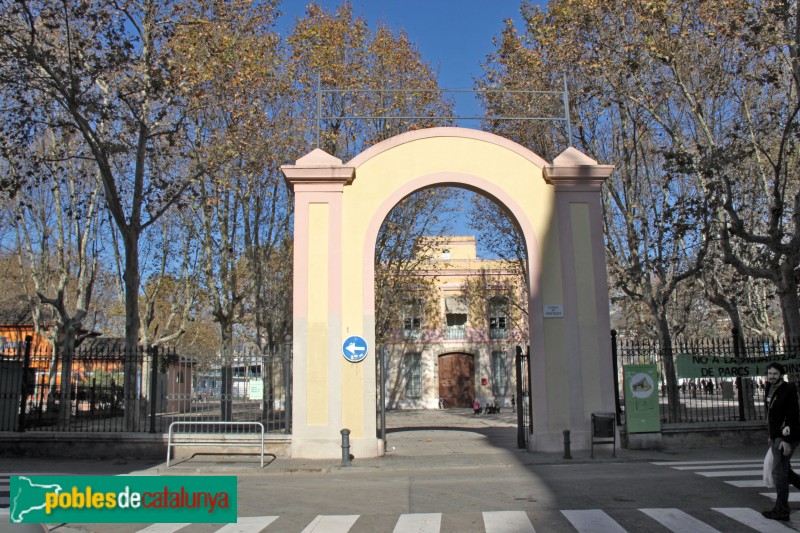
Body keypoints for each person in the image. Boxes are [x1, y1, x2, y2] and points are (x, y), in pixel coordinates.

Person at [762, 362, 800, 521]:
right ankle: (781, 508)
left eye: (775, 374)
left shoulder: (789, 389)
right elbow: (771, 415)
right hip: (776, 436)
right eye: (769, 373)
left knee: (779, 473)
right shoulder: (768, 387)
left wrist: (785, 440)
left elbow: (792, 414)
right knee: (785, 471)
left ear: (781, 374)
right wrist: (771, 434)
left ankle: (782, 510)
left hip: (785, 437)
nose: (772, 376)